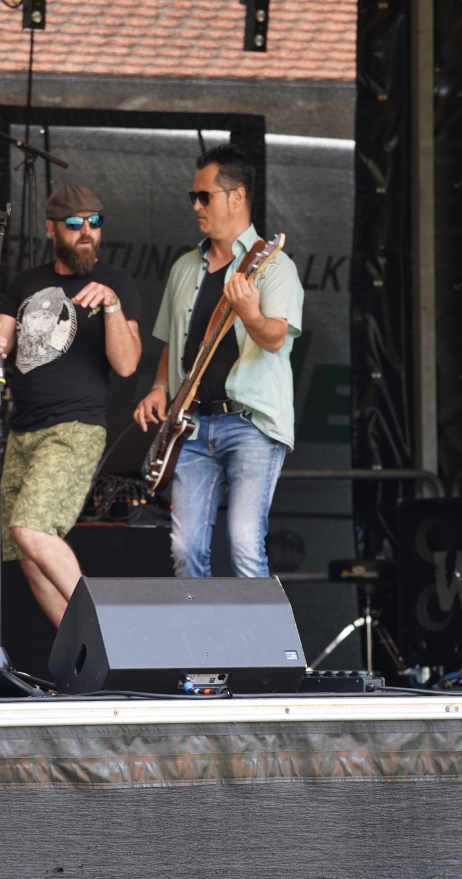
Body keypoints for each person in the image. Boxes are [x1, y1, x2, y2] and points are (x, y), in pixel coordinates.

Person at [0, 184, 141, 626]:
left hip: (74, 429)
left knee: (30, 529)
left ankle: (110, 631)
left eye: (95, 222)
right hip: (22, 432)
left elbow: (127, 365)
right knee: (27, 553)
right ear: (51, 228)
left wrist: (111, 306)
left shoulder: (115, 283)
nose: (87, 231)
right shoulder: (24, 283)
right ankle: (86, 656)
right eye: (74, 223)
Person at [134, 144, 304, 578]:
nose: (196, 205)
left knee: (245, 546)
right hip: (190, 426)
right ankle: (202, 628)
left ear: (237, 196)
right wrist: (159, 386)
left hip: (250, 424)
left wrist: (250, 314)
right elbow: (173, 342)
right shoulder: (183, 267)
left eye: (204, 196)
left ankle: (258, 629)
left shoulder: (275, 266)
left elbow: (275, 339)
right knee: (185, 551)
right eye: (193, 196)